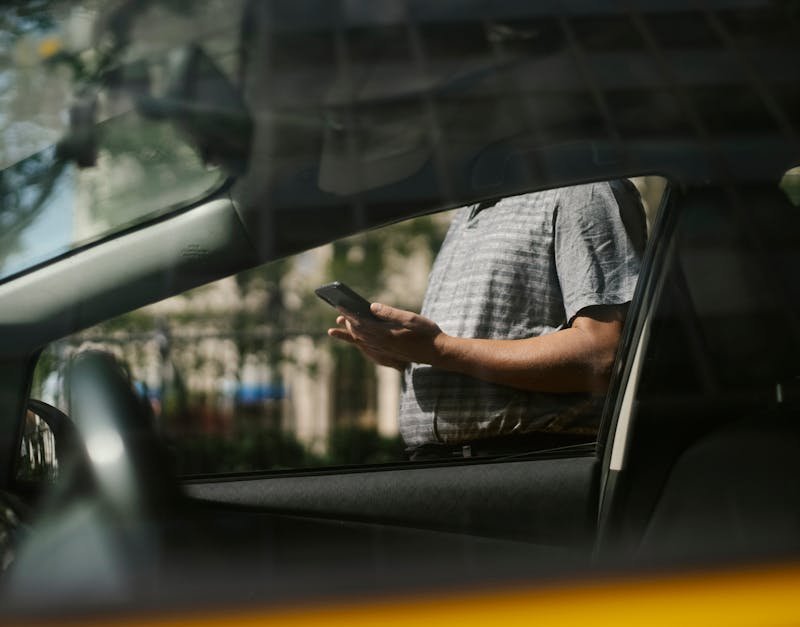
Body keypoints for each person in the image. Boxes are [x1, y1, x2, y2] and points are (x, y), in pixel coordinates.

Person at [329, 180, 646, 459]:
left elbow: (602, 355)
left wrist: (437, 349)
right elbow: (462, 351)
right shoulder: (467, 212)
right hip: (443, 467)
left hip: (527, 462)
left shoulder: (583, 190)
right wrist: (404, 353)